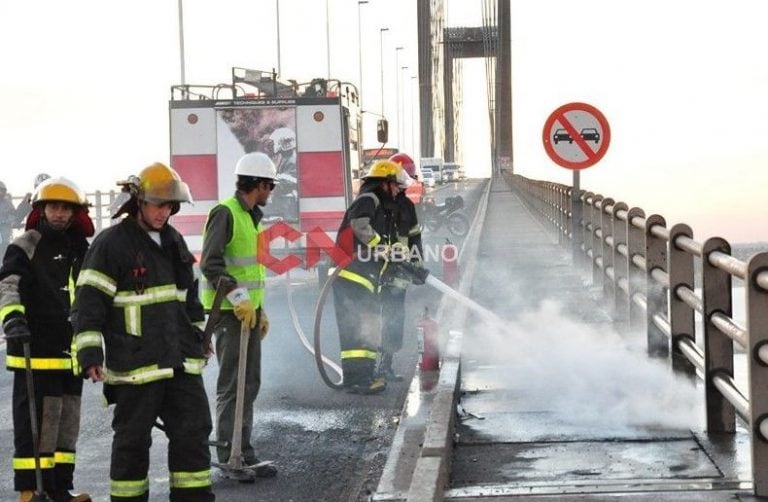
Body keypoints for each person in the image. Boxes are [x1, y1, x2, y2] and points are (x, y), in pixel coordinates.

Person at [70, 163, 214, 501]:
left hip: (180, 363)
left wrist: (197, 338)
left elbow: (188, 298)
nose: (165, 212)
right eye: (158, 205)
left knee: (193, 436)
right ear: (138, 203)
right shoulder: (111, 245)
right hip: (136, 366)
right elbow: (89, 304)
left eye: (170, 206)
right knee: (132, 445)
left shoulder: (173, 241)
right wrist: (90, 353)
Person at [0, 177, 94, 502]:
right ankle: (30, 491)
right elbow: (8, 285)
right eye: (53, 207)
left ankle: (58, 489)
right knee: (37, 427)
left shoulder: (81, 248)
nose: (59, 214)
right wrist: (13, 319)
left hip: (71, 353)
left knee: (66, 425)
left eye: (66, 208)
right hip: (34, 352)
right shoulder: (25, 244)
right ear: (41, 209)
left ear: (74, 213)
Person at [200, 151, 278, 477]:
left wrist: (258, 309)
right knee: (233, 385)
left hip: (246, 313)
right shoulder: (226, 213)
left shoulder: (249, 216)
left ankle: (242, 452)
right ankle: (231, 457)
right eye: (269, 186)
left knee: (250, 383)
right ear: (258, 184)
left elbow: (249, 270)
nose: (270, 192)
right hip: (230, 314)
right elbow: (210, 264)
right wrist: (240, 298)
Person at [332, 159, 413, 394]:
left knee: (365, 325)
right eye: (396, 185)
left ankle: (362, 377)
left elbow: (377, 239)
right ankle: (358, 380)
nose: (398, 190)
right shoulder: (369, 199)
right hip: (350, 273)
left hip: (361, 275)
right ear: (385, 183)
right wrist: (381, 246)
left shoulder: (381, 207)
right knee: (357, 328)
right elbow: (359, 225)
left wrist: (392, 250)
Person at [379, 153, 425, 381]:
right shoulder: (378, 204)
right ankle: (372, 367)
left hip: (400, 276)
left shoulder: (407, 206)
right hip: (380, 274)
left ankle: (386, 364)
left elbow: (415, 237)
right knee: (376, 320)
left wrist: (418, 265)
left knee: (395, 320)